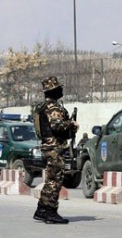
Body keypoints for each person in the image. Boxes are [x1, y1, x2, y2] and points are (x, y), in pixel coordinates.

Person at [33, 76, 78, 225]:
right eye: (59, 88)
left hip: (47, 146)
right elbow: (57, 126)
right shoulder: (53, 107)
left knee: (50, 180)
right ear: (54, 90)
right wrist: (71, 124)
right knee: (55, 181)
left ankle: (42, 209)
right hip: (54, 148)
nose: (61, 90)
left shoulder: (41, 107)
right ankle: (51, 212)